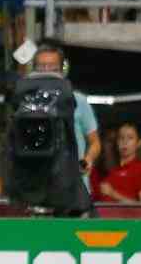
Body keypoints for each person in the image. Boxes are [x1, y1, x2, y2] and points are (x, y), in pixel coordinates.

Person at [31, 40, 98, 184]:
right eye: (42, 69)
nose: (47, 74)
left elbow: (95, 142)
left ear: (63, 71)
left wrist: (88, 159)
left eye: (53, 69)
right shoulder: (28, 105)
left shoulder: (79, 101)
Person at [97, 122, 141, 204]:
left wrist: (113, 194)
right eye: (121, 138)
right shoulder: (112, 170)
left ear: (139, 143)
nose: (124, 142)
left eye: (130, 138)